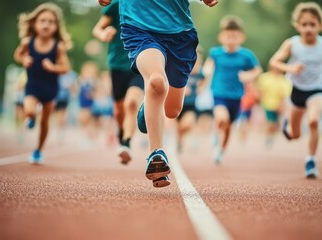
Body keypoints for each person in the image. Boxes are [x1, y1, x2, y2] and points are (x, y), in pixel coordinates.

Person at [98, 0, 218, 188]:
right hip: (139, 27)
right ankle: (156, 153)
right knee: (156, 82)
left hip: (180, 34)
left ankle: (148, 107)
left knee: (172, 111)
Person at [269, 2, 322, 178]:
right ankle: (288, 126)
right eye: (304, 24)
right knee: (294, 135)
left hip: (317, 89)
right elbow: (274, 62)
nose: (308, 28)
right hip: (297, 90)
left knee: (313, 121)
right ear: (298, 25)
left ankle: (310, 161)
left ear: (320, 25)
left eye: (312, 24)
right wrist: (290, 69)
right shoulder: (291, 44)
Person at [13, 3, 71, 163]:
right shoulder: (27, 42)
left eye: (51, 22)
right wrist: (24, 59)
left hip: (50, 89)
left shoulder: (58, 46)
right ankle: (30, 118)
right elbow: (17, 55)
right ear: (34, 23)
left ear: (56, 26)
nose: (46, 24)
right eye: (43, 20)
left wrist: (53, 67)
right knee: (30, 110)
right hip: (32, 86)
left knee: (45, 121)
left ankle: (38, 150)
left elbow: (66, 67)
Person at [203, 15, 262, 165]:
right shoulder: (216, 53)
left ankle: (220, 151)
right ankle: (216, 135)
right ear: (221, 37)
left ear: (241, 38)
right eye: (228, 36)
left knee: (228, 126)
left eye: (234, 37)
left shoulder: (246, 55)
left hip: (236, 96)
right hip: (219, 93)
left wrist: (248, 75)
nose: (231, 39)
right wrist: (207, 70)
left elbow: (257, 70)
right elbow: (208, 65)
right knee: (221, 118)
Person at [92, 0, 144, 165]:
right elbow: (97, 29)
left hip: (140, 62)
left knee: (132, 103)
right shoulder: (116, 4)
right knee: (119, 110)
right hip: (117, 65)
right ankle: (122, 131)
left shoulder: (150, 5)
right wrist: (104, 33)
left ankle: (126, 143)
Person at [176, 47, 205, 153]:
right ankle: (178, 139)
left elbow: (204, 83)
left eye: (198, 59)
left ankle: (179, 137)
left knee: (186, 125)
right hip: (176, 104)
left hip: (190, 105)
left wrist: (201, 88)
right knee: (177, 126)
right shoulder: (181, 70)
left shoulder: (201, 74)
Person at [256, 66, 292, 148]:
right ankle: (268, 136)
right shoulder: (264, 77)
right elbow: (260, 91)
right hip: (267, 104)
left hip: (277, 105)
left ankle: (270, 134)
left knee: (275, 124)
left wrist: (281, 105)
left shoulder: (284, 80)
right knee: (271, 122)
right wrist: (260, 101)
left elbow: (284, 95)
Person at [77, 61, 99, 148]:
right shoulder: (81, 81)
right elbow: (76, 90)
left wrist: (93, 95)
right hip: (83, 104)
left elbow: (98, 91)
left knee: (89, 121)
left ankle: (89, 137)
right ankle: (87, 137)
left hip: (91, 104)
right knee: (84, 120)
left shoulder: (94, 82)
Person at [55, 69, 77, 142]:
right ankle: (60, 131)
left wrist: (72, 91)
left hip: (67, 98)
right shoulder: (57, 73)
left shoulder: (71, 74)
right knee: (59, 116)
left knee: (63, 115)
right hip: (57, 98)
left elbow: (74, 87)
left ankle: (61, 131)